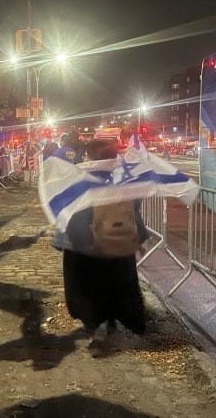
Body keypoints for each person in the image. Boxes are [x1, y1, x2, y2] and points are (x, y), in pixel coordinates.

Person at [52, 139, 149, 354]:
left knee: (87, 288)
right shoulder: (124, 178)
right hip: (117, 244)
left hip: (84, 245)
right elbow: (135, 208)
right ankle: (112, 320)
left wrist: (62, 240)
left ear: (91, 156)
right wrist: (138, 236)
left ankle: (97, 326)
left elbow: (67, 210)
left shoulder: (79, 179)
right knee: (115, 284)